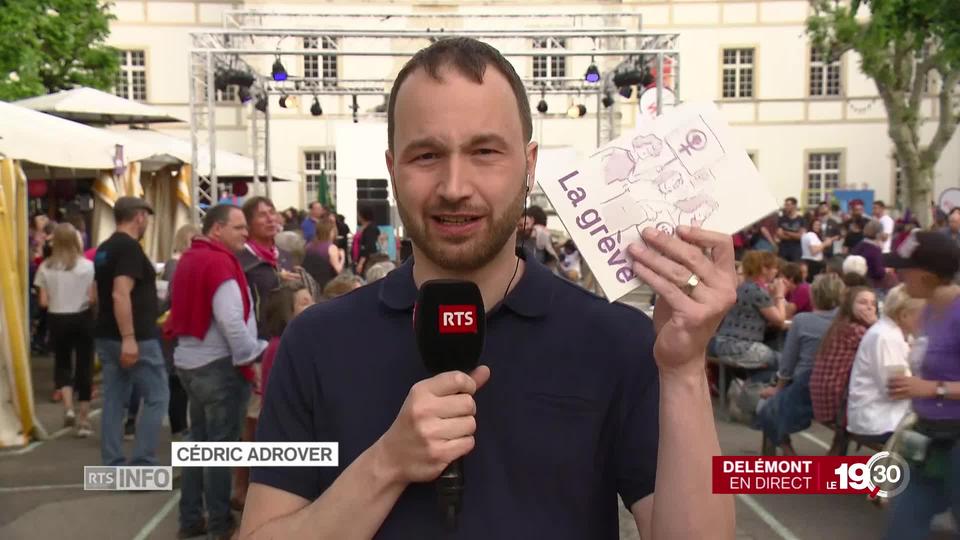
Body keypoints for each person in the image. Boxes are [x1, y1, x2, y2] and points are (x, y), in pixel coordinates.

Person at [240, 37, 736, 539]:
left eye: (485, 151)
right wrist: (387, 464)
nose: (455, 185)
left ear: (529, 165)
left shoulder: (619, 341)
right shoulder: (315, 343)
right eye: (427, 154)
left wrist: (686, 372)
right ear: (392, 171)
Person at [166, 204, 268, 540]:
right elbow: (231, 321)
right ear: (217, 230)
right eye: (238, 228)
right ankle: (220, 524)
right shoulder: (220, 264)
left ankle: (191, 518)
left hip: (189, 363)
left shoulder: (190, 259)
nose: (245, 234)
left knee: (198, 445)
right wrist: (253, 353)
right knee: (220, 450)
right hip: (219, 367)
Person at [882, 230, 960, 539]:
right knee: (902, 527)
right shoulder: (926, 310)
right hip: (927, 439)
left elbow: (929, 384)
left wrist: (931, 389)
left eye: (905, 268)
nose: (898, 274)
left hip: (956, 441)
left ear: (927, 276)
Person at [93, 196, 170, 466]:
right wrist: (129, 338)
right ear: (139, 217)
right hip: (135, 336)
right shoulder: (129, 249)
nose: (147, 222)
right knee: (157, 396)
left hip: (106, 333)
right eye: (146, 217)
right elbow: (119, 293)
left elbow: (95, 294)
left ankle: (112, 463)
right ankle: (142, 463)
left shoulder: (104, 249)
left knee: (114, 399)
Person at [755, 273, 845, 455]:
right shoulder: (847, 324)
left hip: (805, 389)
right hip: (838, 392)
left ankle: (788, 452)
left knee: (764, 408)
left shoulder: (802, 321)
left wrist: (778, 389)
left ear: (815, 295)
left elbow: (787, 366)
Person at [34, 223, 97, 437]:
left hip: (57, 318)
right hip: (82, 318)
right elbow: (92, 298)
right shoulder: (88, 266)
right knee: (84, 365)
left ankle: (68, 408)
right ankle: (84, 418)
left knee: (62, 363)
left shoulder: (45, 267)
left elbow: (42, 301)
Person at [846, 285, 924, 445]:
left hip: (880, 415)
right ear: (904, 315)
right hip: (880, 422)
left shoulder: (891, 332)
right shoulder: (887, 338)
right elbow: (896, 390)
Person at [808, 287, 878, 442]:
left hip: (823, 396)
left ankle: (837, 450)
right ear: (849, 306)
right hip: (837, 403)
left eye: (873, 304)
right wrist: (874, 323)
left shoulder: (840, 325)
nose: (869, 307)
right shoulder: (856, 330)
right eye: (863, 302)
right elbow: (883, 348)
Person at [710, 250, 788, 369]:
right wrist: (780, 294)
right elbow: (780, 320)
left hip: (720, 344)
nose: (776, 271)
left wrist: (771, 295)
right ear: (763, 269)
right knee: (785, 363)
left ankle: (753, 384)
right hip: (739, 348)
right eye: (774, 268)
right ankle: (754, 386)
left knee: (772, 356)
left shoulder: (743, 287)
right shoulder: (757, 291)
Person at [159, 223, 200, 440]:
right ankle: (179, 427)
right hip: (177, 326)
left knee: (179, 379)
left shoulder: (175, 264)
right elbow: (170, 298)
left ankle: (181, 426)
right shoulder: (177, 264)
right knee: (177, 379)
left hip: (177, 326)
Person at [237, 196, 298, 333]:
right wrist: (274, 278)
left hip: (287, 334)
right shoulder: (241, 259)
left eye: (272, 212)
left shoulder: (284, 256)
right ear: (248, 223)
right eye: (262, 215)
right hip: (258, 337)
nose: (270, 219)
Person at [302, 217, 344, 290]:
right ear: (331, 232)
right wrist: (343, 256)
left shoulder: (308, 246)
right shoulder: (331, 248)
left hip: (311, 284)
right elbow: (338, 270)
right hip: (327, 284)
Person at [851, 219, 887, 289]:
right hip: (870, 284)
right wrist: (885, 270)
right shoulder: (875, 250)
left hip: (856, 282)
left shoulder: (859, 245)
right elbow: (878, 272)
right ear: (879, 234)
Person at [801, 215, 836, 280]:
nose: (817, 227)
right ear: (811, 225)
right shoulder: (811, 235)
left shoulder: (807, 235)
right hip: (813, 264)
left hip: (809, 262)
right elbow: (814, 251)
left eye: (819, 225)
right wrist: (825, 243)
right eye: (815, 225)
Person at [353, 204, 381, 276]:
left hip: (366, 261)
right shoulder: (363, 228)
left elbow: (368, 246)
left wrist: (361, 263)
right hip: (358, 259)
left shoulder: (371, 229)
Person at [776, 197, 805, 262]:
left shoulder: (801, 220)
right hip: (783, 249)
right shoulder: (781, 219)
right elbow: (780, 235)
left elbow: (800, 236)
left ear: (794, 206)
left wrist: (786, 232)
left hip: (796, 250)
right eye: (785, 205)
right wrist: (795, 235)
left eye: (788, 205)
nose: (785, 207)